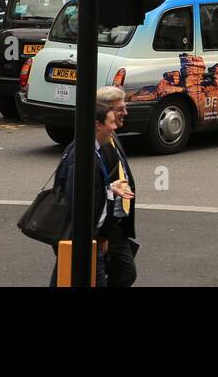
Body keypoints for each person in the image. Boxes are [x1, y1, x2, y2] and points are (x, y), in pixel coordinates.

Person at [50, 104, 132, 286]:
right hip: (82, 240)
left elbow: (88, 188)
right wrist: (93, 235)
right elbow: (77, 196)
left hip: (85, 239)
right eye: (111, 122)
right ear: (97, 125)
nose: (115, 127)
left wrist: (109, 187)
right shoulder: (83, 155)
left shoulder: (91, 151)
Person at [98, 86, 138, 287]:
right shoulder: (98, 145)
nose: (126, 113)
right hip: (105, 226)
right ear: (107, 110)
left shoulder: (112, 137)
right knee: (122, 274)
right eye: (121, 109)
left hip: (117, 224)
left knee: (123, 274)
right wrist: (103, 233)